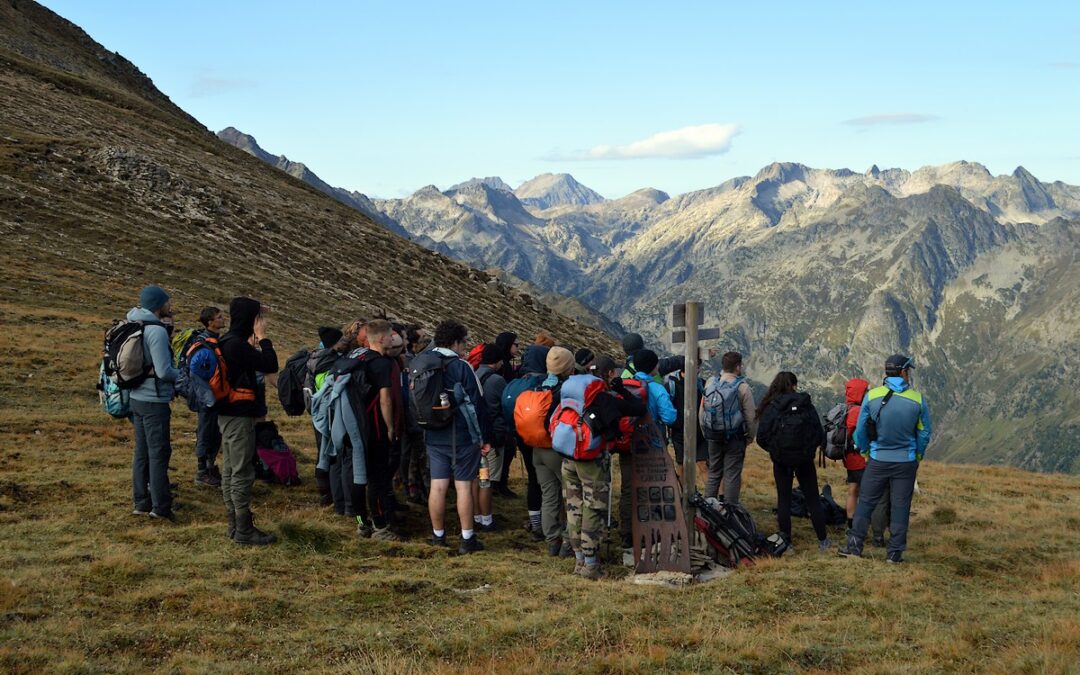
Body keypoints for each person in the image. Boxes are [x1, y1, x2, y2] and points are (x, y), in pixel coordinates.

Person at [840, 355, 932, 563]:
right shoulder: (918, 399)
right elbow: (924, 433)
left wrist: (865, 451)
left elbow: (861, 430)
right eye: (908, 371)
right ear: (902, 372)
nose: (908, 375)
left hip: (877, 459)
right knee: (900, 506)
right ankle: (894, 554)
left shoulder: (872, 396)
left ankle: (854, 547)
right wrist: (917, 455)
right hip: (905, 462)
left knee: (866, 502)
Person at [562, 374, 648, 580]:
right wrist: (622, 390)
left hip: (568, 456)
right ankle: (592, 565)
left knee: (574, 507)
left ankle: (579, 559)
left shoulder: (569, 399)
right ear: (607, 376)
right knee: (593, 508)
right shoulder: (606, 399)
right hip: (592, 460)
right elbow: (638, 408)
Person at [421, 320, 493, 554]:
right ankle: (467, 538)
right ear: (455, 342)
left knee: (438, 486)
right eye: (464, 343)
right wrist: (484, 437)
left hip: (433, 434)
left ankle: (438, 536)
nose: (465, 348)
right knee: (463, 487)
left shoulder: (422, 362)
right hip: (461, 436)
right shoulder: (461, 366)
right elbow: (477, 404)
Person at [217, 297, 279, 545]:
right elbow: (269, 364)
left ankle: (234, 524)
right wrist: (263, 337)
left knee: (231, 468)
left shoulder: (226, 341)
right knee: (241, 470)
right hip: (239, 414)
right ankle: (243, 529)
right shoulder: (237, 345)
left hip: (227, 412)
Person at [756, 371, 832, 551]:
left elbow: (761, 437)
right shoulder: (806, 405)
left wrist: (776, 451)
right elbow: (818, 433)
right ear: (794, 385)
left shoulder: (772, 406)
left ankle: (787, 543)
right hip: (804, 460)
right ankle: (823, 540)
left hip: (781, 461)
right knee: (813, 499)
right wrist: (808, 450)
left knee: (784, 500)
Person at [128, 285, 179, 520]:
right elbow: (164, 371)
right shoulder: (156, 331)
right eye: (167, 302)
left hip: (136, 397)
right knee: (159, 453)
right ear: (159, 304)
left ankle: (140, 501)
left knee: (142, 452)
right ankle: (161, 507)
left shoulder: (134, 323)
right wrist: (184, 376)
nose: (170, 306)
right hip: (154, 400)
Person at [352, 319, 406, 541]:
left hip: (354, 426)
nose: (393, 338)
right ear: (382, 338)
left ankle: (362, 522)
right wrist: (391, 427)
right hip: (375, 427)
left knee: (358, 476)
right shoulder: (383, 364)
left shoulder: (356, 358)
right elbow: (385, 400)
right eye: (391, 335)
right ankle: (381, 526)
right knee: (378, 478)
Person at [534, 346, 576, 556]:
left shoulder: (538, 385)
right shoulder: (565, 389)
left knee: (548, 495)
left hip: (537, 447)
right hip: (556, 448)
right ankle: (569, 540)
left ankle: (552, 540)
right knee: (571, 493)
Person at [701, 352, 757, 505]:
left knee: (713, 473)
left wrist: (707, 432)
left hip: (713, 435)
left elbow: (703, 411)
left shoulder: (710, 384)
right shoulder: (743, 387)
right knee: (731, 475)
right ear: (737, 367)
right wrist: (749, 437)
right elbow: (751, 417)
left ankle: (708, 510)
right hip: (735, 438)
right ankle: (731, 512)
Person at [473, 344, 507, 532]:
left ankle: (476, 516)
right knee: (486, 480)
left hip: (473, 437)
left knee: (475, 479)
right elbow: (504, 405)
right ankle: (487, 519)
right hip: (491, 437)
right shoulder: (497, 380)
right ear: (498, 361)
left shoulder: (474, 375)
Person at [193, 306, 226, 488]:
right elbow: (197, 373)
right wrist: (208, 396)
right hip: (208, 396)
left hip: (216, 394)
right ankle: (202, 471)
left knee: (214, 432)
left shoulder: (216, 340)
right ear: (210, 322)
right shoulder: (204, 342)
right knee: (206, 431)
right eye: (219, 317)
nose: (222, 320)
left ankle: (210, 466)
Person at [665, 368, 707, 487]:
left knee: (703, 464)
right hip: (680, 433)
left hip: (699, 433)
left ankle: (710, 497)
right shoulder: (672, 386)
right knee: (682, 465)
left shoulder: (701, 384)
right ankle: (686, 496)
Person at [491, 331, 520, 498]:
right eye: (516, 344)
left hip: (499, 415)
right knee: (506, 449)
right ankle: (500, 484)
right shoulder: (503, 366)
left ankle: (498, 484)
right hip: (501, 416)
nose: (517, 348)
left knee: (506, 450)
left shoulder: (504, 363)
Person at [840, 377, 870, 532]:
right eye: (865, 391)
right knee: (866, 493)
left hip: (849, 458)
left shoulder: (846, 408)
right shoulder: (859, 411)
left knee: (853, 489)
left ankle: (851, 523)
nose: (868, 393)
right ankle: (860, 526)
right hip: (860, 458)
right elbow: (860, 436)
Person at [619, 333, 683, 382]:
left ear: (625, 351)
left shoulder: (623, 374)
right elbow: (681, 360)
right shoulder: (654, 366)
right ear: (642, 347)